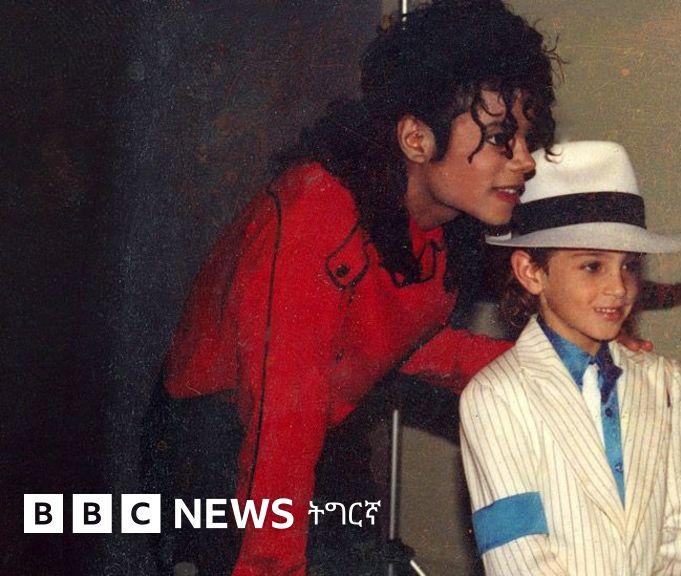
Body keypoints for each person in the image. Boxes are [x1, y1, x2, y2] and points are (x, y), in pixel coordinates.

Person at [155, 2, 560, 574]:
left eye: (526, 138)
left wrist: (566, 363)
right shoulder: (316, 215)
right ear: (416, 138)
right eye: (500, 138)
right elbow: (282, 420)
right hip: (221, 447)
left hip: (309, 433)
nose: (524, 161)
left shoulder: (435, 222)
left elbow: (401, 343)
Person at [460, 140, 681, 575]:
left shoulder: (663, 381)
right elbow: (517, 555)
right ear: (531, 272)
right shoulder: (494, 396)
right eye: (593, 266)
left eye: (629, 265)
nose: (618, 287)